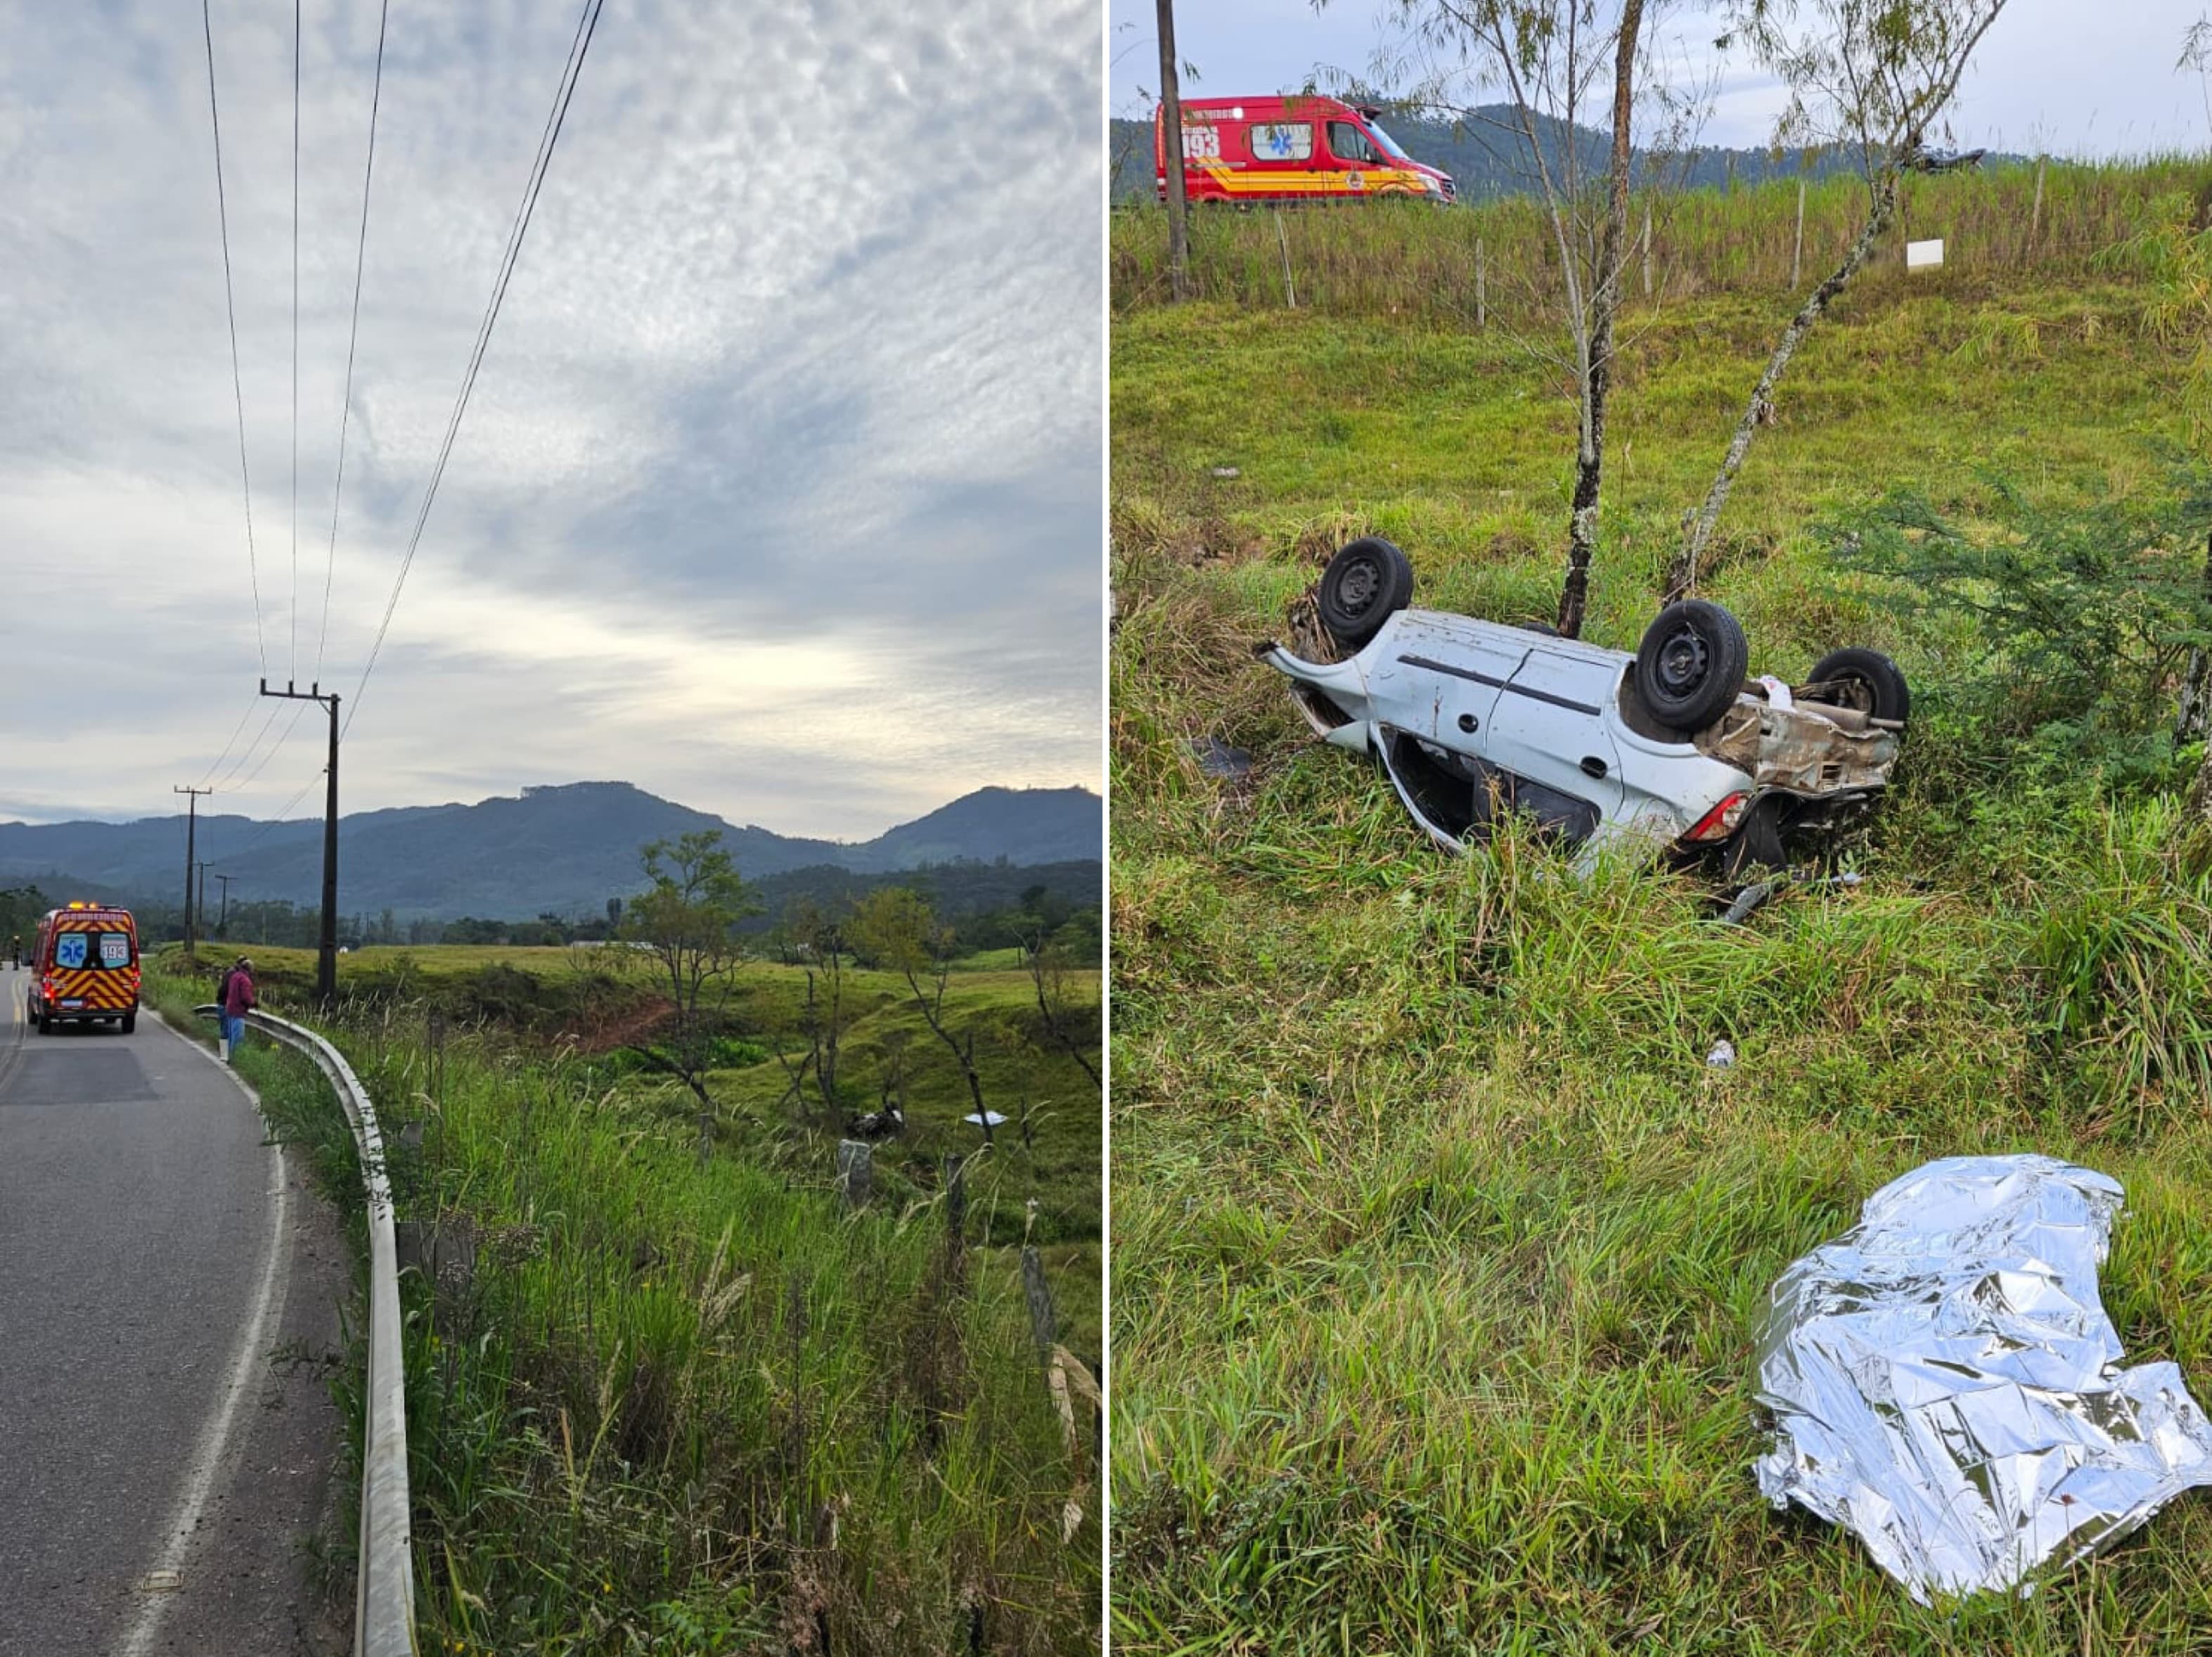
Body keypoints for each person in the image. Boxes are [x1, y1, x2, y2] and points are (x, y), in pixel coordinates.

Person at [221, 956, 255, 1062]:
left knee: (230, 1035)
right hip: (238, 1011)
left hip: (230, 1008)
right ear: (250, 969)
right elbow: (246, 997)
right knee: (238, 1037)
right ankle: (235, 1059)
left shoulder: (234, 976)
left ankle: (228, 1056)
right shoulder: (245, 980)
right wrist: (253, 1003)